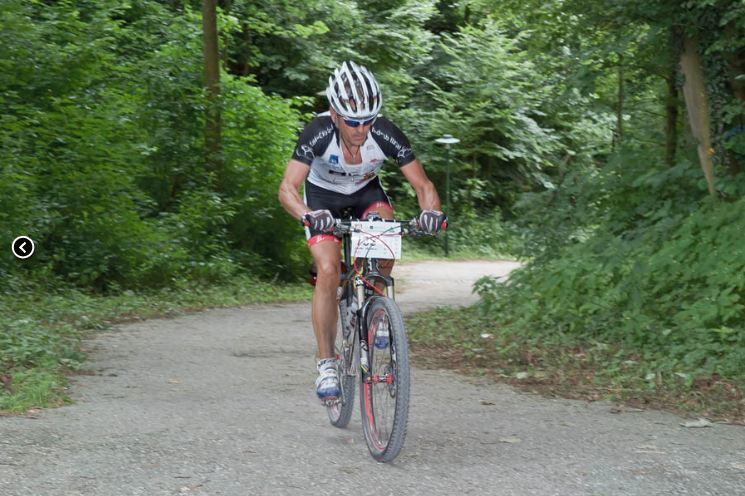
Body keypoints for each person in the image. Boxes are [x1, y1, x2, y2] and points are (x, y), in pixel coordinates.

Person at [278, 61, 446, 402]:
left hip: (366, 194)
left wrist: (431, 213)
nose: (361, 129)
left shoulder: (384, 132)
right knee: (328, 269)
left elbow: (423, 185)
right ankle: (327, 363)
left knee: (388, 233)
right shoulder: (318, 132)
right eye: (352, 122)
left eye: (368, 120)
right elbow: (287, 188)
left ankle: (377, 310)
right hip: (323, 199)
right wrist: (308, 215)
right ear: (334, 114)